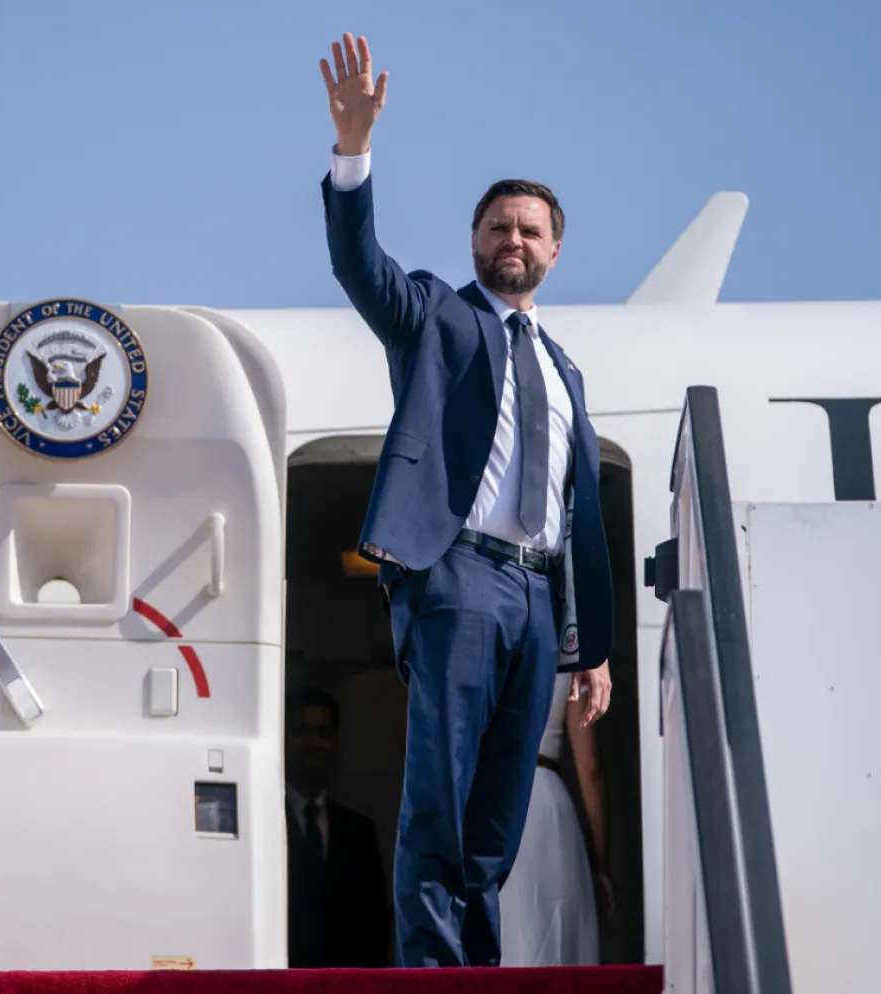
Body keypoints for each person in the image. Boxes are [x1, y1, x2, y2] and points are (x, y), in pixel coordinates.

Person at [316, 33, 615, 968]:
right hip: (460, 580)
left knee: (498, 818)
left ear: (555, 251)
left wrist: (591, 645)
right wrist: (354, 150)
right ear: (474, 242)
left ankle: (474, 974)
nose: (511, 240)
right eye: (497, 227)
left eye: (529, 230)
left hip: (535, 601)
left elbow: (582, 519)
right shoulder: (435, 317)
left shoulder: (565, 372)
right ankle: (433, 974)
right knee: (440, 797)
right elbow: (359, 263)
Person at [499, 673, 616, 966]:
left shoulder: (479, 632)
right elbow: (590, 768)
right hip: (546, 806)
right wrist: (601, 864)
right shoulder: (572, 641)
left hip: (494, 804)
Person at [284, 686, 391, 968]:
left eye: (323, 733)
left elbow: (374, 926)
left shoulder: (360, 832)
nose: (312, 742)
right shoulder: (263, 824)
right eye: (300, 730)